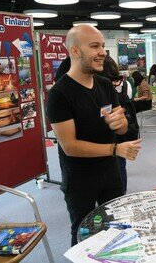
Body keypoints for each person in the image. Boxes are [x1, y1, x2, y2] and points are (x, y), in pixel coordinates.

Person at [47, 25, 142, 246]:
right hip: (79, 178)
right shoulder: (59, 94)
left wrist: (121, 125)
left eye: (102, 46)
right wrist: (115, 149)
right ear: (75, 51)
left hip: (110, 172)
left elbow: (120, 128)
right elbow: (70, 146)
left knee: (114, 225)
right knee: (83, 233)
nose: (103, 52)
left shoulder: (105, 84)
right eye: (94, 46)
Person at [102, 56, 139, 194]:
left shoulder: (101, 87)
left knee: (112, 166)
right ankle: (121, 194)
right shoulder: (126, 83)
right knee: (121, 165)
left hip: (109, 132)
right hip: (126, 131)